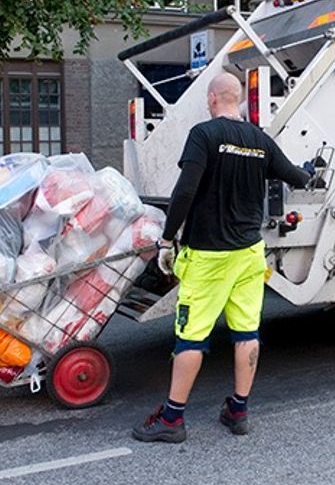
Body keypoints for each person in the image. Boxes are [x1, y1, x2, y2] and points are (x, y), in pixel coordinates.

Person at [132, 72, 313, 443]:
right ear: (240, 100)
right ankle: (239, 409)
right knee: (247, 331)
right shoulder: (260, 140)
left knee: (191, 336)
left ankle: (172, 419)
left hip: (209, 255)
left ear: (213, 99)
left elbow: (185, 191)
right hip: (249, 254)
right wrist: (309, 174)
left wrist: (167, 239)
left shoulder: (204, 135)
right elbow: (294, 176)